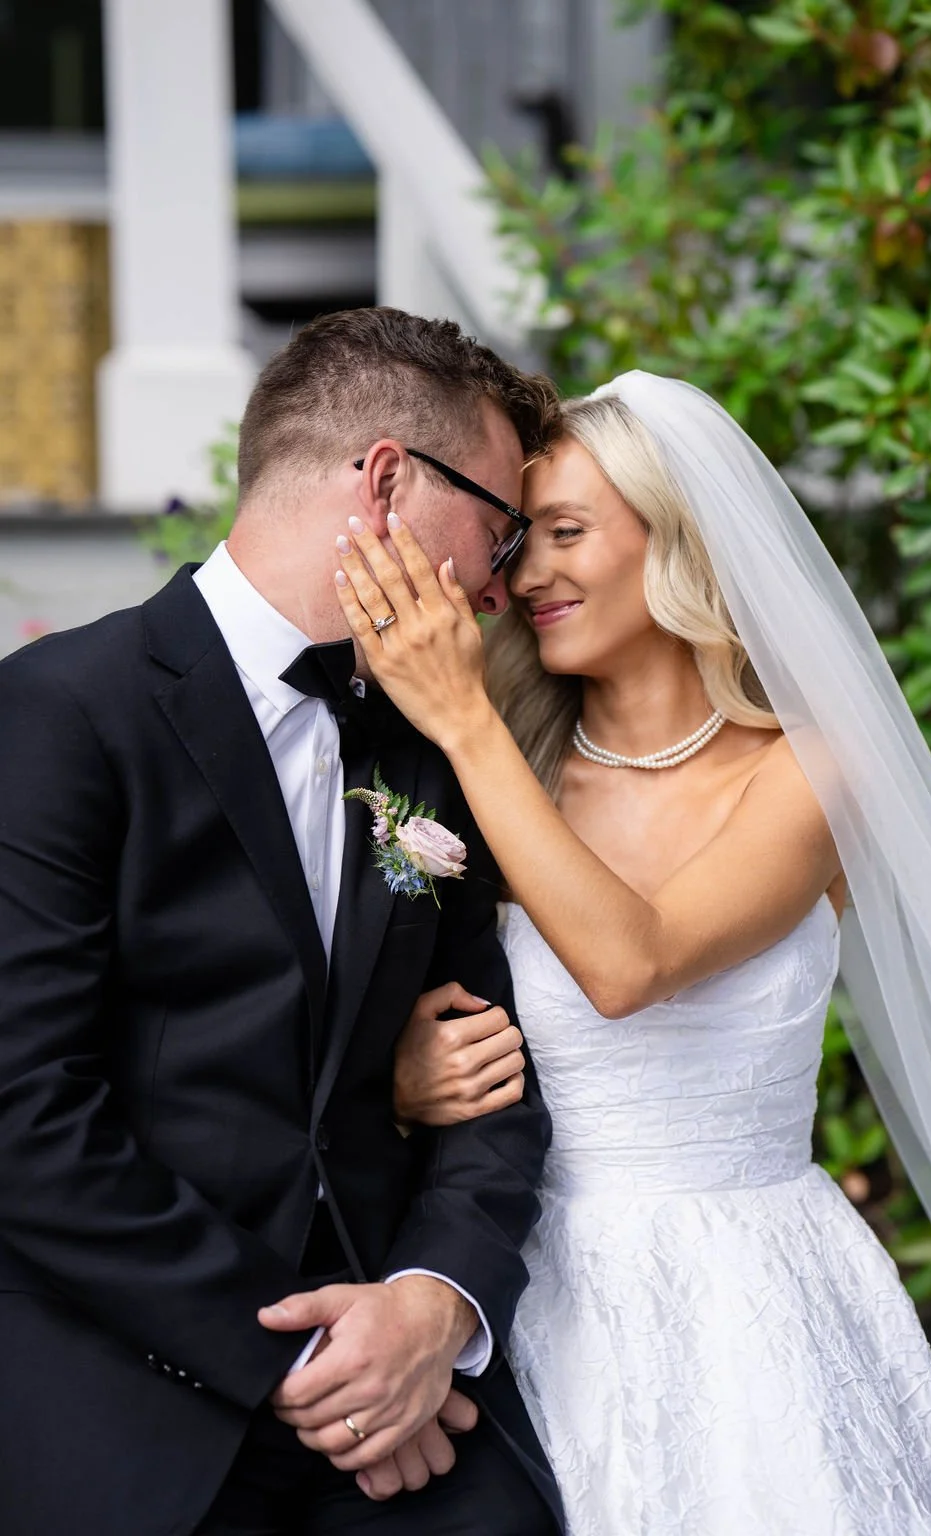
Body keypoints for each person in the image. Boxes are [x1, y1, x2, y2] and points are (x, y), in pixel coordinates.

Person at [330, 370, 931, 1534]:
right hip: (516, 1290)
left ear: (683, 544)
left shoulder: (804, 773)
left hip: (750, 1308)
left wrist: (462, 717)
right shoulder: (491, 776)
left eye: (566, 533)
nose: (526, 576)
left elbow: (628, 965)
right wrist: (399, 1081)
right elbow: (368, 1005)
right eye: (518, 542)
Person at [0, 308, 565, 1536]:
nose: (498, 586)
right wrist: (306, 1365)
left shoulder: (426, 741)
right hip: (133, 1379)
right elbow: (23, 1114)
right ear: (386, 480)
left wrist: (433, 1305)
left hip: (394, 1372)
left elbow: (494, 1079)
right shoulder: (61, 712)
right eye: (498, 529)